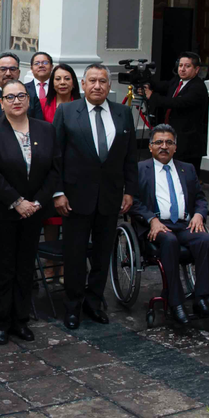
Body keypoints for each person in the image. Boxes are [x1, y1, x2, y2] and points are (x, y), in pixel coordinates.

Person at [52, 64, 138, 329]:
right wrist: (58, 192)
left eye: (102, 81)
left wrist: (130, 191)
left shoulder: (123, 113)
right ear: (84, 83)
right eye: (92, 81)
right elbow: (55, 156)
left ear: (109, 85)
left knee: (102, 255)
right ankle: (73, 306)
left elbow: (130, 157)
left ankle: (94, 302)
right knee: (75, 256)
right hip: (75, 198)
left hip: (110, 198)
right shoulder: (66, 112)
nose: (98, 86)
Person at [0, 79, 56, 344]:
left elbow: (54, 169)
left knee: (25, 268)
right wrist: (16, 201)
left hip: (34, 212)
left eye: (21, 95)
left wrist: (37, 203)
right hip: (4, 212)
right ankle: (0, 321)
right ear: (1, 103)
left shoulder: (46, 130)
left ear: (29, 99)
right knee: (4, 267)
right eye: (9, 97)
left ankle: (21, 320)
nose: (16, 101)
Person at [128, 125, 209, 325]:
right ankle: (175, 302)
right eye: (158, 142)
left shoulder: (188, 168)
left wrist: (199, 215)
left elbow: (201, 199)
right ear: (150, 147)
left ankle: (201, 298)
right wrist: (152, 219)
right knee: (169, 241)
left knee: (206, 240)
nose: (164, 146)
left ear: (175, 147)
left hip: (185, 224)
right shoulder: (140, 169)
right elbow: (133, 202)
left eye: (169, 142)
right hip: (157, 226)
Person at [143, 52, 209, 165]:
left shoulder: (198, 87)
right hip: (172, 137)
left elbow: (177, 102)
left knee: (185, 176)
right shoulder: (177, 81)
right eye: (180, 66)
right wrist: (143, 80)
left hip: (188, 142)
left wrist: (152, 96)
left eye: (187, 66)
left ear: (196, 69)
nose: (182, 69)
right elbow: (161, 86)